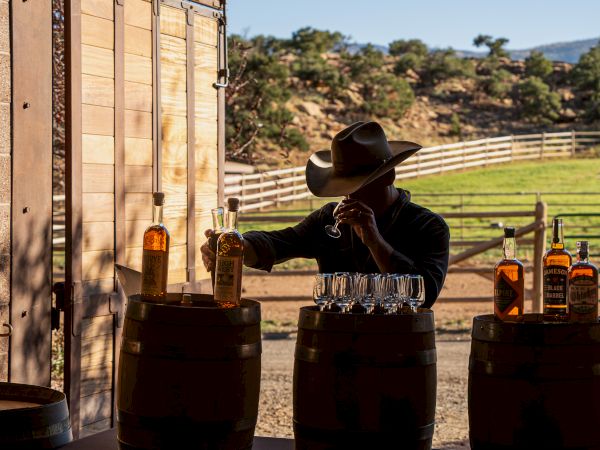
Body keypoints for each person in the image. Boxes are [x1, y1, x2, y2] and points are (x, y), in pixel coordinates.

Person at [201, 121, 450, 308]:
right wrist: (235, 246)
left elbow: (425, 295)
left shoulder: (428, 226)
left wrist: (374, 241)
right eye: (342, 187)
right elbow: (280, 243)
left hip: (397, 351)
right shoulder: (329, 219)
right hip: (334, 347)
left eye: (358, 185)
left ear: (388, 177)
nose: (347, 196)